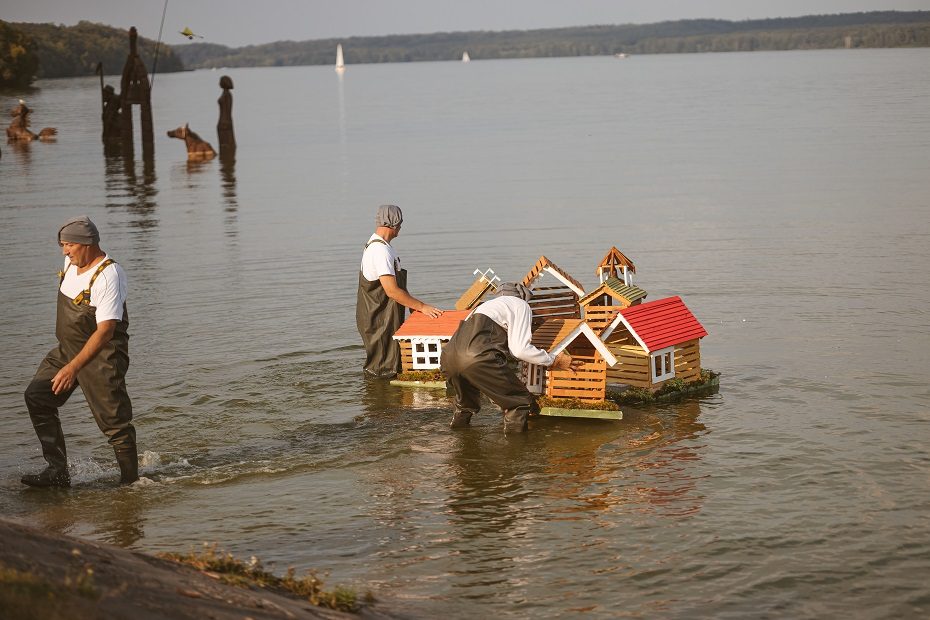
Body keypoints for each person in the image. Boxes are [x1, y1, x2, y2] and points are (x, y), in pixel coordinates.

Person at [21, 216, 138, 487]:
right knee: (37, 397)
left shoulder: (109, 275)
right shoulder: (71, 264)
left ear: (86, 243)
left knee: (115, 424)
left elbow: (106, 331)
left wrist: (73, 368)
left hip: (102, 357)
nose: (64, 252)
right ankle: (57, 472)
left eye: (68, 245)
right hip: (67, 351)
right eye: (62, 245)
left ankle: (130, 485)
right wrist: (68, 361)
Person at [440, 282, 582, 433]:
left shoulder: (483, 307)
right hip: (477, 357)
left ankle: (459, 439)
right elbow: (520, 350)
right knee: (518, 402)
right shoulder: (520, 304)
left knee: (466, 404)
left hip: (448, 358)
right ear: (522, 296)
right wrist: (554, 360)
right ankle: (516, 452)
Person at [356, 204, 443, 378]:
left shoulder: (381, 246)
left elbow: (396, 287)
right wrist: (422, 307)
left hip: (383, 316)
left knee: (389, 363)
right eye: (400, 223)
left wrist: (412, 305)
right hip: (378, 318)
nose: (401, 227)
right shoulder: (380, 250)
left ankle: (380, 397)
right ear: (395, 224)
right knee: (382, 370)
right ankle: (379, 400)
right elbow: (392, 291)